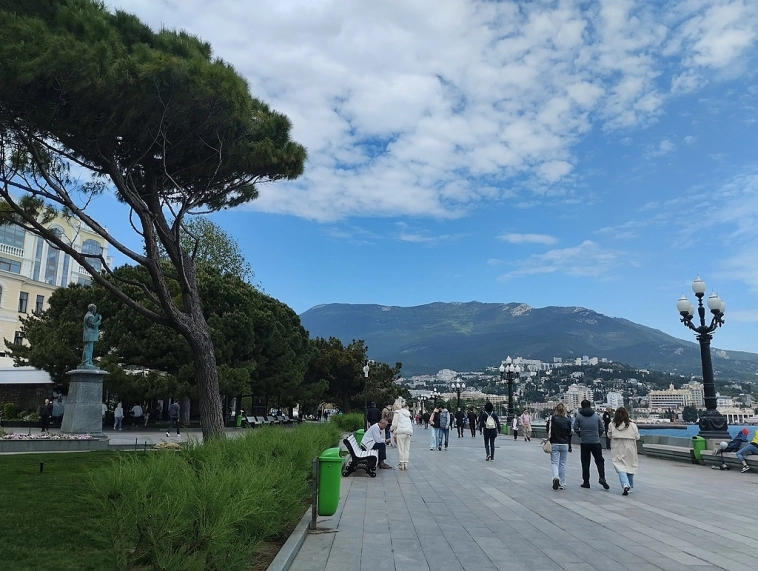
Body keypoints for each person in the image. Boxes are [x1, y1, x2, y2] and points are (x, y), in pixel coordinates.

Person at [573, 400, 610, 490]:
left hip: (585, 442)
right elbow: (601, 428)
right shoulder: (596, 416)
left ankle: (586, 482)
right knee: (599, 461)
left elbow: (575, 427)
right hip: (596, 442)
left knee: (585, 462)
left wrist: (580, 434)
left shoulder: (579, 416)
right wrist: (597, 435)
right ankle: (602, 477)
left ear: (582, 406)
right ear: (590, 406)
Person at [608, 407, 639, 495]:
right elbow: (637, 436)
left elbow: (609, 435)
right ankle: (629, 485)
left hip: (617, 445)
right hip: (630, 446)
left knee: (620, 465)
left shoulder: (612, 424)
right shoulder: (632, 425)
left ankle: (625, 484)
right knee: (630, 464)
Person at [547, 403, 572, 490]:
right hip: (564, 443)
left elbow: (548, 430)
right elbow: (569, 432)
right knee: (563, 463)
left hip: (554, 443)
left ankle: (556, 477)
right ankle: (562, 483)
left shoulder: (552, 419)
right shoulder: (568, 420)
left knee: (554, 462)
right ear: (564, 410)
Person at [390, 401, 414, 470]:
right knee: (406, 449)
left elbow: (394, 424)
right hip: (408, 432)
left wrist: (391, 429)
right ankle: (406, 464)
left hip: (401, 432)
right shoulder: (407, 414)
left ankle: (401, 464)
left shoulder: (397, 413)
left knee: (401, 449)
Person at [81, 303, 102, 368]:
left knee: (89, 348)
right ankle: (86, 362)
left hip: (88, 335)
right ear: (93, 309)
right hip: (89, 335)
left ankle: (89, 361)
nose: (95, 310)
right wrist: (99, 320)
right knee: (88, 349)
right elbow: (93, 325)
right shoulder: (90, 316)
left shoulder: (87, 315)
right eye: (95, 309)